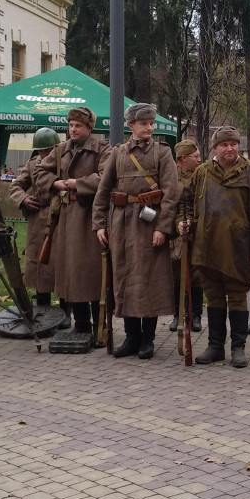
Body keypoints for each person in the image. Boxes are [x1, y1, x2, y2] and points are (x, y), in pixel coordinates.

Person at [181, 127, 250, 367]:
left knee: (236, 297)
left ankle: (238, 347)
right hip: (206, 247)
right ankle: (215, 347)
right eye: (224, 144)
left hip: (239, 248)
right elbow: (187, 202)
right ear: (215, 148)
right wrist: (183, 222)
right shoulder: (202, 172)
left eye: (233, 144)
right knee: (213, 298)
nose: (230, 148)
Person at [93, 104, 181, 360]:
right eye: (144, 124)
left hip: (149, 224)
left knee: (149, 280)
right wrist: (99, 224)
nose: (149, 128)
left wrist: (163, 228)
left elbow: (171, 194)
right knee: (125, 279)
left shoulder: (163, 153)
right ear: (131, 125)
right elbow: (103, 190)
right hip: (121, 223)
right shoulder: (118, 153)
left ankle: (147, 339)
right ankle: (131, 338)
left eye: (151, 123)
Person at [42, 108, 110, 342]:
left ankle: (101, 325)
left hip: (91, 215)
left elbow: (106, 178)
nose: (73, 130)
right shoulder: (61, 150)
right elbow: (40, 172)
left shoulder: (103, 149)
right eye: (70, 125)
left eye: (78, 126)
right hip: (67, 217)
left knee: (92, 273)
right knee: (71, 272)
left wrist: (76, 183)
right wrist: (56, 183)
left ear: (89, 128)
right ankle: (81, 325)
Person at [6, 128, 62, 322]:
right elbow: (15, 186)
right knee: (40, 266)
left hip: (62, 217)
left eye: (48, 150)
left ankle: (66, 312)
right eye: (40, 151)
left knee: (62, 266)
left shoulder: (65, 164)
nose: (44, 155)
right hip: (38, 220)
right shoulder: (32, 164)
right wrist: (23, 199)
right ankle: (43, 309)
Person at [170, 139, 204, 334]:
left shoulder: (202, 175)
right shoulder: (170, 177)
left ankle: (196, 315)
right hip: (177, 232)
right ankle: (177, 314)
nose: (199, 160)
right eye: (195, 156)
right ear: (182, 159)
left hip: (197, 231)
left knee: (197, 275)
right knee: (176, 275)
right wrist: (178, 223)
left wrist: (193, 222)